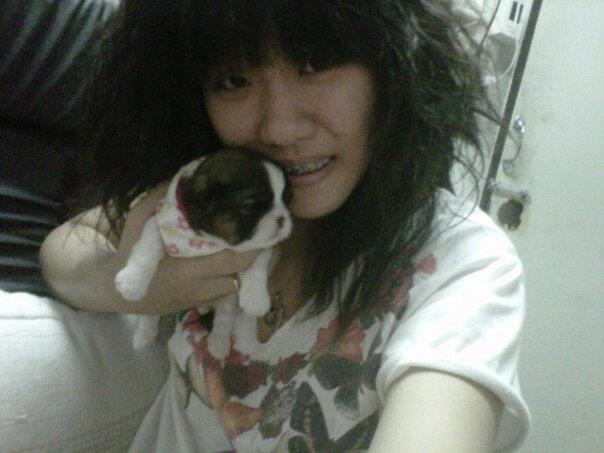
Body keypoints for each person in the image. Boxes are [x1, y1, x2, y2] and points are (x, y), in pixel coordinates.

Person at [40, 0, 530, 451]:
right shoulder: (216, 190)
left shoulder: (461, 262)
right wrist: (136, 287)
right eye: (233, 80)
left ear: (393, 69)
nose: (278, 128)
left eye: (315, 64)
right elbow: (67, 247)